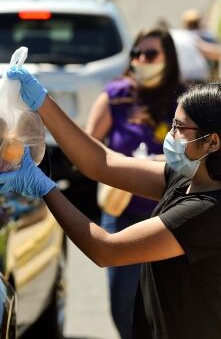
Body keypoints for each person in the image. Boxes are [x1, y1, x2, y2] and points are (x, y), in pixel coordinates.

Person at [0, 74, 221, 338]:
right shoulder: (188, 179)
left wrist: (45, 188)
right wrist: (43, 103)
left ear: (212, 142)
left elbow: (106, 249)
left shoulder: (210, 210)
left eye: (179, 127)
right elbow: (102, 163)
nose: (170, 135)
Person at [84, 25, 183, 339]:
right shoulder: (116, 96)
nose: (142, 59)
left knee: (168, 302)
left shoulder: (185, 99)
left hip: (169, 217)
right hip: (122, 213)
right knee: (123, 301)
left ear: (168, 59)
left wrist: (159, 163)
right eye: (136, 54)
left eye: (150, 53)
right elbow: (88, 146)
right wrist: (118, 166)